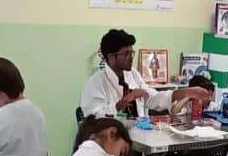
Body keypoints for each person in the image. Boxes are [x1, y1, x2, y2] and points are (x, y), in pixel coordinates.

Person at [80, 29, 209, 118]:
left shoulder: (133, 75)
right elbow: (93, 118)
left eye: (131, 53)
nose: (130, 57)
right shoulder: (96, 83)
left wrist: (185, 92)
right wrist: (123, 102)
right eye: (126, 54)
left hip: (138, 136)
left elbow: (152, 99)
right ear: (111, 57)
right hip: (111, 145)